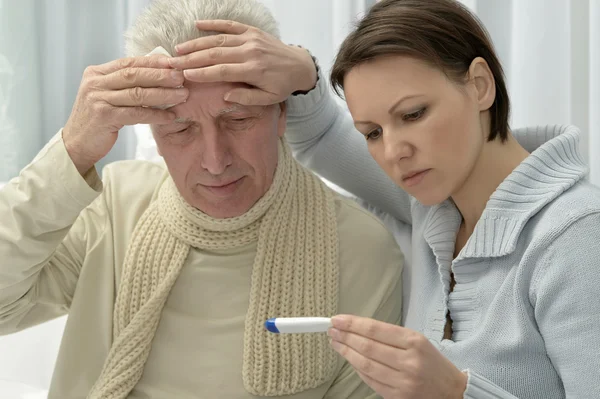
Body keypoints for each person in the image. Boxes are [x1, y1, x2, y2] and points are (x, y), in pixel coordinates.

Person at [166, 0, 600, 397]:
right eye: (372, 132)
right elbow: (322, 136)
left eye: (413, 114)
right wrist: (299, 71)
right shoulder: (434, 203)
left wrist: (453, 392)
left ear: (480, 85)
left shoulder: (577, 240)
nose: (393, 153)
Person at [0, 0, 405, 398]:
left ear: (282, 113)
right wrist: (72, 151)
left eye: (238, 120)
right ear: (152, 133)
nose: (215, 161)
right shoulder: (116, 205)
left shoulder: (361, 251)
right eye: (180, 130)